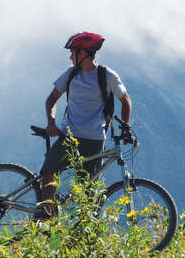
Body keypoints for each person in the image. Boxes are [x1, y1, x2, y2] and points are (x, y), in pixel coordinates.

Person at [38, 32, 132, 218]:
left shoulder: (107, 75)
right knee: (49, 172)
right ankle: (46, 217)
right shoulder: (70, 75)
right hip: (69, 137)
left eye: (73, 52)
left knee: (86, 193)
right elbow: (50, 101)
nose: (70, 56)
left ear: (84, 53)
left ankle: (81, 236)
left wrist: (125, 127)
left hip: (94, 142)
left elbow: (126, 101)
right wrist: (51, 122)